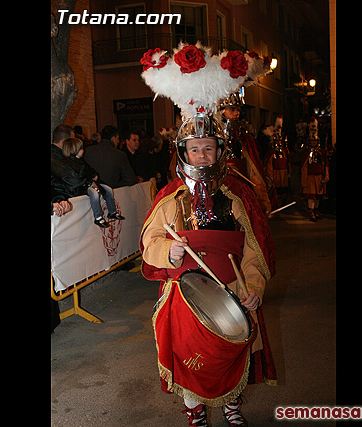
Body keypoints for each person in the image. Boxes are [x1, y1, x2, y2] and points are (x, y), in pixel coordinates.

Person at [140, 114, 277, 427]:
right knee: (192, 360)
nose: (202, 156)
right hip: (185, 299)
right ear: (183, 153)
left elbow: (253, 251)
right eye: (194, 149)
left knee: (227, 357)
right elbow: (150, 244)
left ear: (220, 151)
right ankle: (195, 411)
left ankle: (231, 405)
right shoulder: (170, 197)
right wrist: (167, 251)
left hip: (232, 291)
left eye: (209, 148)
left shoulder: (238, 196)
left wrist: (253, 287)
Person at [216, 91, 277, 215]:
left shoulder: (244, 139)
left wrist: (262, 199)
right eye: (232, 109)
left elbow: (254, 172)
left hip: (243, 192)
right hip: (218, 193)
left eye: (238, 109)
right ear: (221, 111)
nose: (237, 113)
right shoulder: (212, 139)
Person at [60, 138, 125, 228]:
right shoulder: (69, 164)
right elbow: (77, 177)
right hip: (80, 187)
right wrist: (91, 179)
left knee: (108, 189)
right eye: (81, 148)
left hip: (89, 182)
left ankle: (112, 211)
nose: (83, 150)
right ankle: (98, 217)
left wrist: (94, 175)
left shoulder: (80, 161)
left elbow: (89, 170)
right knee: (94, 192)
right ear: (75, 150)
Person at [299, 117, 329, 221]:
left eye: (315, 141)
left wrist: (326, 175)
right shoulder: (306, 152)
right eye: (311, 141)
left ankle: (316, 211)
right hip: (310, 177)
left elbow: (325, 164)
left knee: (318, 195)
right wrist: (304, 179)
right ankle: (311, 212)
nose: (313, 143)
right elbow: (303, 166)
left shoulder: (321, 152)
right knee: (311, 196)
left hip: (319, 177)